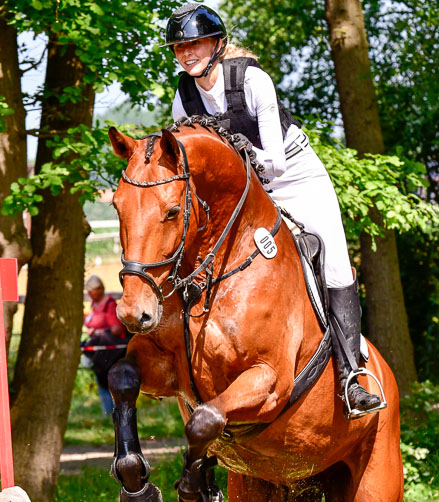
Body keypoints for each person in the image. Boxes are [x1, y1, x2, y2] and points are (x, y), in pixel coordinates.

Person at [162, 2, 385, 418]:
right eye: (179, 47)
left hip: (295, 179)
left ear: (218, 44)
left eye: (195, 43)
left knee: (335, 263)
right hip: (244, 192)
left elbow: (277, 163)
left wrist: (238, 162)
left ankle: (352, 376)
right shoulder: (184, 96)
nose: (187, 52)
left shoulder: (252, 80)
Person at [82, 275, 130, 414]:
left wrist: (98, 332)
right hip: (101, 352)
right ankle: (107, 412)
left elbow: (116, 328)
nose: (90, 294)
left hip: (111, 353)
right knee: (101, 380)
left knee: (109, 381)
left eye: (92, 291)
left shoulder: (109, 306)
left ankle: (112, 412)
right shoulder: (95, 304)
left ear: (100, 289)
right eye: (88, 291)